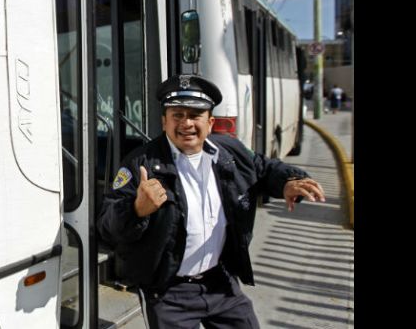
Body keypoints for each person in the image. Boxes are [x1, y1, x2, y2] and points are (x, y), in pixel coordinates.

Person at [97, 74, 325, 329]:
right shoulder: (141, 163)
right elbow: (107, 226)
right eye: (178, 115)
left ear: (210, 122)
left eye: (195, 115)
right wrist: (137, 209)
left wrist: (287, 182)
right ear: (164, 121)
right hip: (169, 291)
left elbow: (264, 167)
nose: (186, 123)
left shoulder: (229, 152)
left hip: (221, 283)